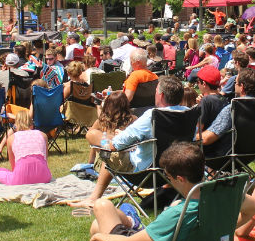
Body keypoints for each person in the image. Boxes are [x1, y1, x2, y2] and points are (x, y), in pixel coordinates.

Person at [64, 141, 248, 241]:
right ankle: (128, 225)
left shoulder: (178, 213)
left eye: (168, 177)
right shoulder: (218, 198)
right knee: (103, 219)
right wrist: (221, 229)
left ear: (180, 179)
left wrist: (97, 239)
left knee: (101, 209)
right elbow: (254, 207)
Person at [77, 75, 189, 204]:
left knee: (106, 151)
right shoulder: (189, 113)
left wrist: (113, 138)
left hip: (147, 172)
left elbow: (116, 145)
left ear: (161, 95)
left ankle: (93, 199)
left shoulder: (153, 116)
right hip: (177, 171)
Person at [201, 68, 255, 159]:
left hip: (225, 156)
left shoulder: (233, 108)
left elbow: (206, 139)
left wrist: (192, 136)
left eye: (235, 83)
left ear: (241, 87)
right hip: (254, 154)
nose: (234, 85)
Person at [0, 108, 51, 185]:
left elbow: (13, 167)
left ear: (16, 124)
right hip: (44, 176)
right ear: (31, 123)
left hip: (21, 178)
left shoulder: (11, 139)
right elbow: (45, 160)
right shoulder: (43, 135)